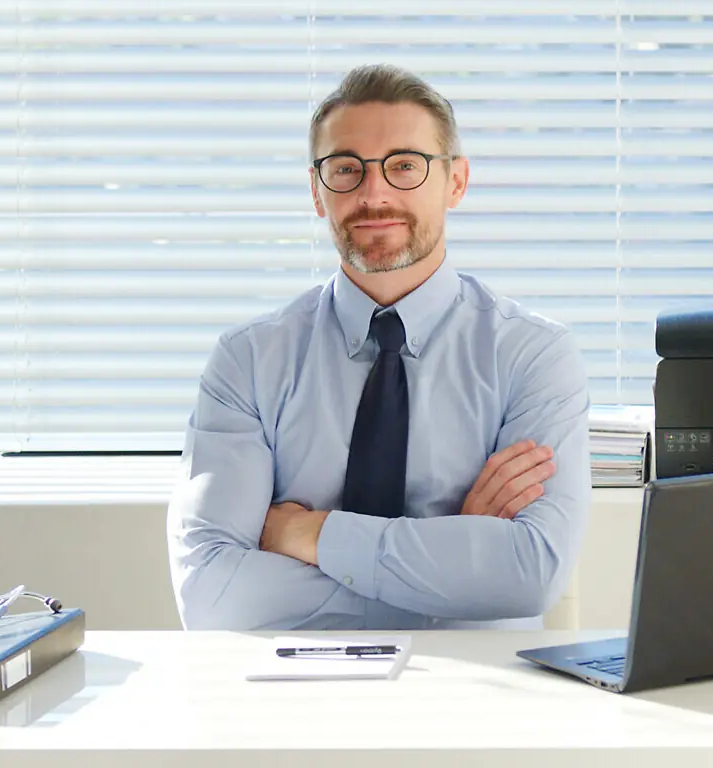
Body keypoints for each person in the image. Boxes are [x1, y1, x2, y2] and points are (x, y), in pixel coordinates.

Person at [166, 63, 591, 631]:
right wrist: (449, 563)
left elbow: (530, 575)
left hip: (480, 697)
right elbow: (212, 594)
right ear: (318, 192)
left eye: (405, 166)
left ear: (456, 182)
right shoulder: (247, 361)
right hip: (291, 693)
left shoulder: (533, 356)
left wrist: (306, 534)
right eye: (346, 169)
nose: (375, 193)